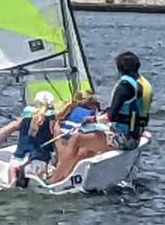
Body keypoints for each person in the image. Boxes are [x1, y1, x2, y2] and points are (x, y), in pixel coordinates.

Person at [48, 53, 153, 184]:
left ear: (119, 68)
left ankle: (55, 180)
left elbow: (111, 116)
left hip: (122, 140)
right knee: (86, 147)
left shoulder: (124, 87)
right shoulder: (143, 85)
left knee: (77, 138)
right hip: (134, 138)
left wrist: (93, 120)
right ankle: (71, 175)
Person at [0, 90, 59, 186]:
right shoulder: (52, 121)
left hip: (18, 159)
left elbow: (2, 132)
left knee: (12, 180)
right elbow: (58, 140)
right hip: (39, 161)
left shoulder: (24, 119)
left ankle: (14, 178)